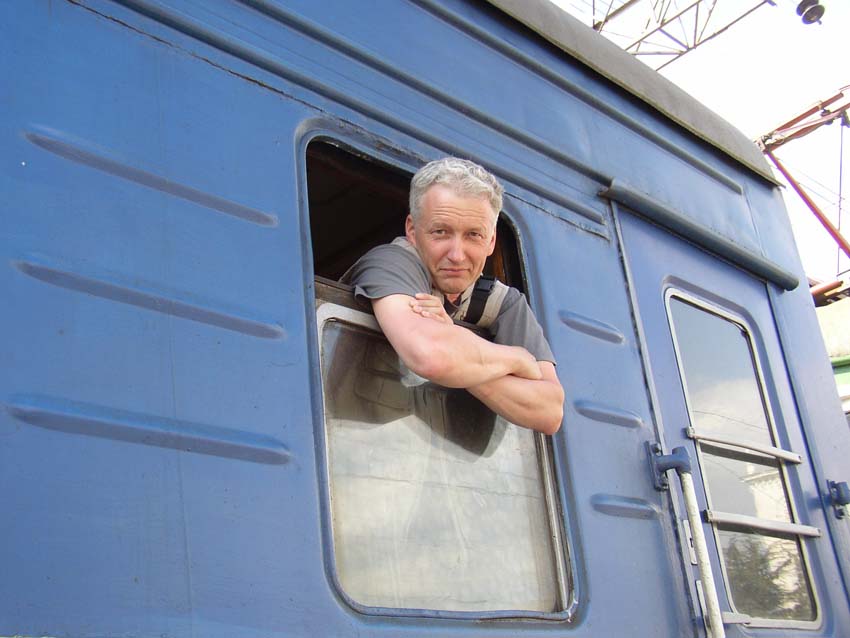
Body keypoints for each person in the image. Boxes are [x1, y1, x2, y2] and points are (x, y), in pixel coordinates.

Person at [341, 158, 564, 435]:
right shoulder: (390, 263)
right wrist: (516, 358)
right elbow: (431, 356)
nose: (457, 255)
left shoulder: (502, 302)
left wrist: (456, 343)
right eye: (441, 232)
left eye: (473, 235)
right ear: (412, 230)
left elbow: (550, 412)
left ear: (491, 241)